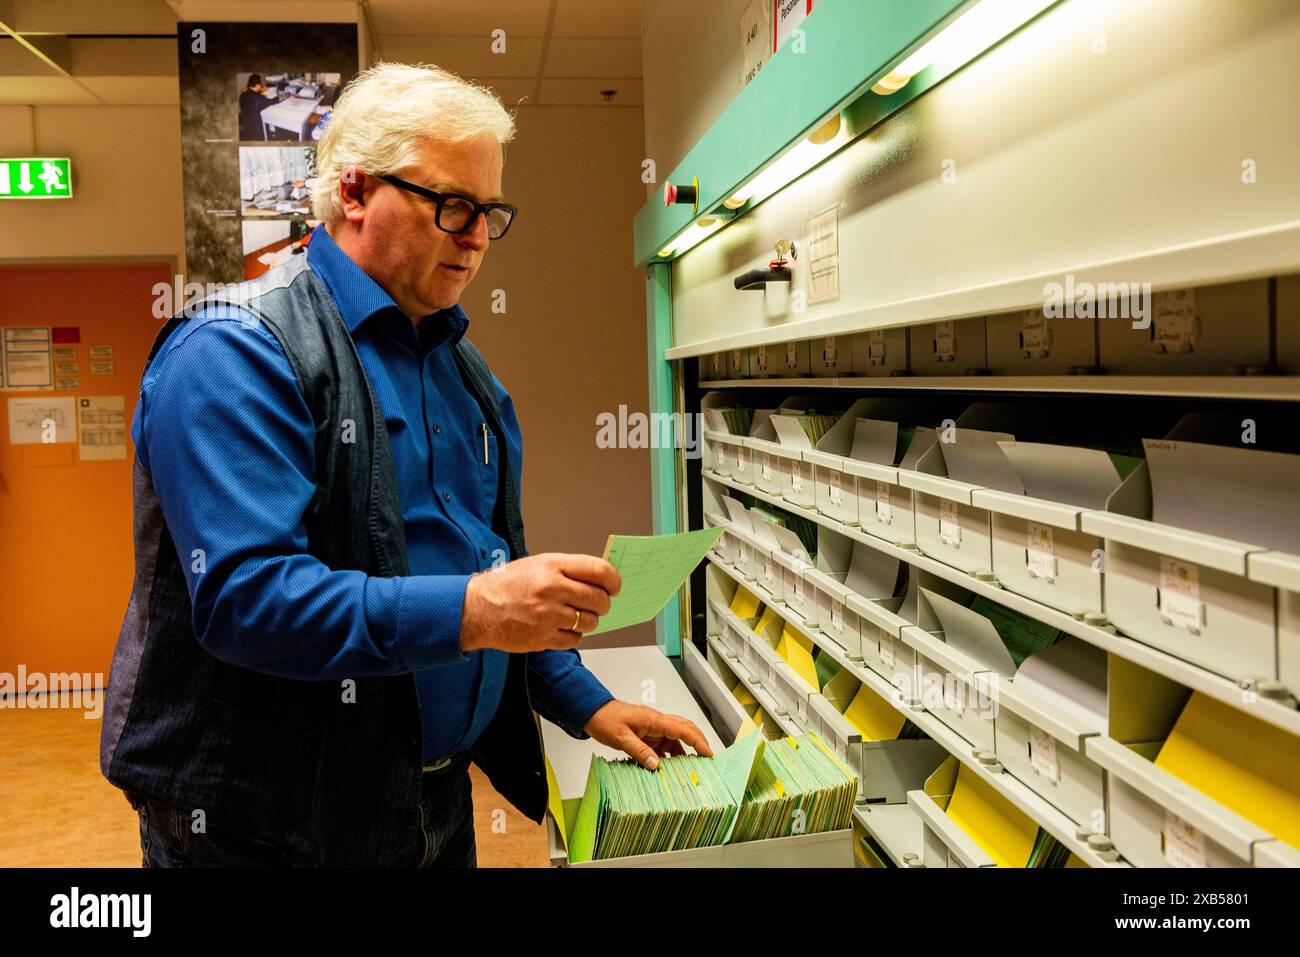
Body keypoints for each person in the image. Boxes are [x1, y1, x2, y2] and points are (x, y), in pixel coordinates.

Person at [101, 61, 712, 868]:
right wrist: (479, 607)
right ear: (354, 192)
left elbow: (483, 573)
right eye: (453, 206)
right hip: (263, 833)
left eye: (491, 211)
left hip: (426, 809)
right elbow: (249, 600)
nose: (477, 237)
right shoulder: (235, 350)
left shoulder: (465, 377)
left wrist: (586, 701)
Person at [238, 73, 275, 141]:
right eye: (260, 84)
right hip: (256, 127)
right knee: (272, 116)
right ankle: (272, 134)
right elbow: (269, 102)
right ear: (257, 85)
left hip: (246, 125)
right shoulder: (257, 97)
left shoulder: (243, 94)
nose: (261, 85)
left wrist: (260, 91)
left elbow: (256, 98)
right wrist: (278, 98)